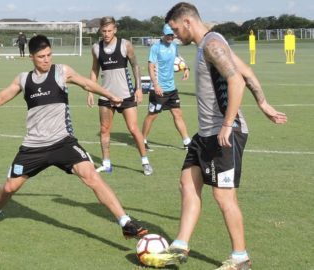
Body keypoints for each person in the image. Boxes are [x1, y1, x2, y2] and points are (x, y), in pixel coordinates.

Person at [0, 35, 148, 240]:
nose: (47, 60)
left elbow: (87, 84)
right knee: (9, 187)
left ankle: (125, 222)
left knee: (91, 175)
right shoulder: (23, 79)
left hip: (63, 142)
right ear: (31, 57)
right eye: (41, 56)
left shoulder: (62, 71)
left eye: (49, 55)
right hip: (33, 147)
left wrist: (110, 95)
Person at [155, 3, 288, 269]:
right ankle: (180, 246)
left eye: (176, 29)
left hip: (223, 133)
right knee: (188, 183)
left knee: (223, 196)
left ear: (188, 22)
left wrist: (228, 124)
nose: (176, 35)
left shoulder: (212, 44)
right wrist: (263, 103)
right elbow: (247, 73)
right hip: (205, 133)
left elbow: (236, 80)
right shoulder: (212, 43)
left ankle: (240, 258)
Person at [87, 16, 153, 176]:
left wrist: (138, 88)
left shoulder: (125, 45)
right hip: (106, 96)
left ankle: (145, 161)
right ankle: (106, 163)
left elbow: (135, 65)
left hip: (126, 96)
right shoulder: (96, 48)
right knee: (104, 129)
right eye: (104, 31)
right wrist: (90, 90)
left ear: (115, 29)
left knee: (133, 128)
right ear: (100, 30)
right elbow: (95, 69)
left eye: (109, 31)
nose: (107, 34)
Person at [142, 24, 191, 152]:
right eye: (169, 35)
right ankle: (142, 140)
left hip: (171, 88)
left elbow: (178, 59)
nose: (171, 37)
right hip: (158, 89)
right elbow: (150, 66)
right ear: (163, 34)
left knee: (177, 114)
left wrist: (186, 67)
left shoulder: (174, 46)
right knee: (152, 115)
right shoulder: (156, 47)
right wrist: (156, 85)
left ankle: (187, 142)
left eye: (172, 35)